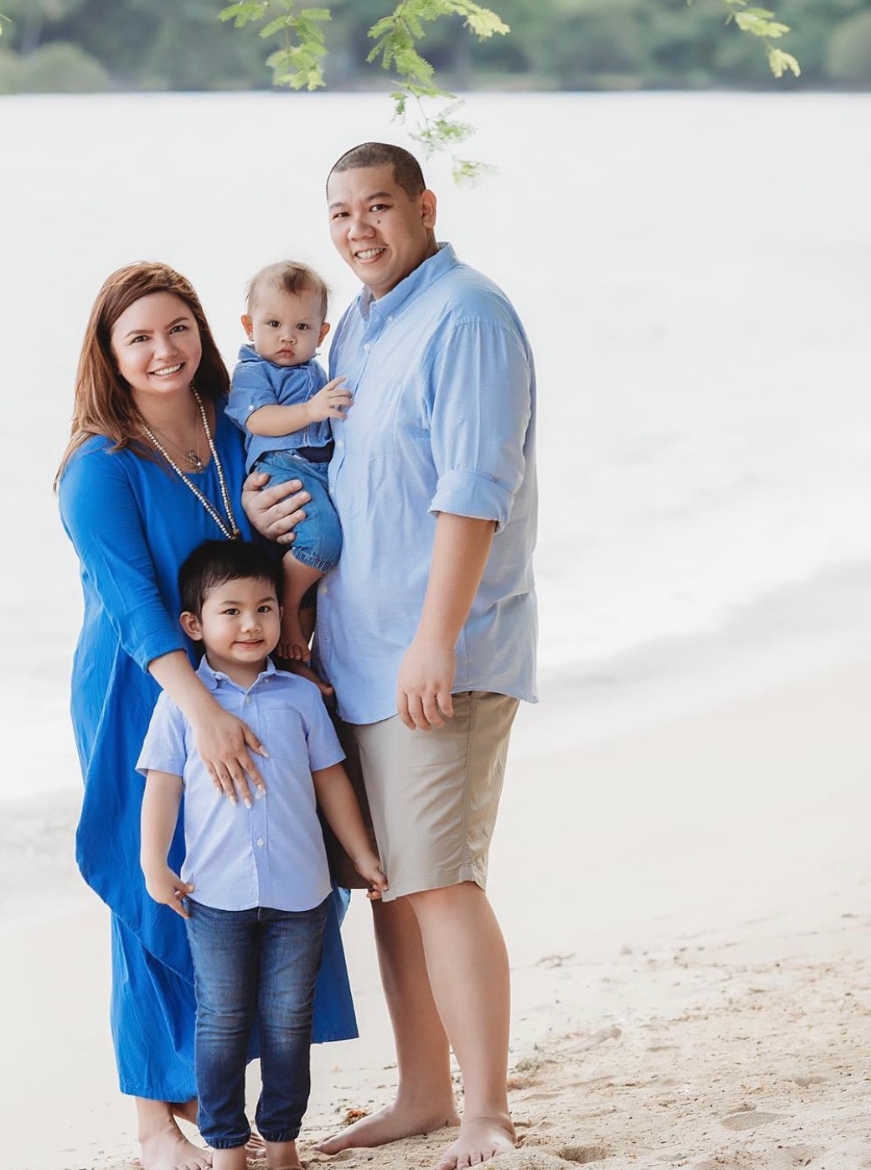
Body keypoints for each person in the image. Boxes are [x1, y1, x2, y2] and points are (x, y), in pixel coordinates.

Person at [243, 142, 538, 1170]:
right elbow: (346, 479)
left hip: (436, 655)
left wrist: (431, 639)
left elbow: (473, 490)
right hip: (360, 655)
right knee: (393, 884)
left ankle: (485, 1112)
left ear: (422, 204)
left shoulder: (465, 315)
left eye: (377, 206)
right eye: (339, 213)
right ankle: (421, 1091)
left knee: (440, 879)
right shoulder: (362, 323)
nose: (357, 227)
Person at [55, 262, 359, 1170]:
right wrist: (201, 717)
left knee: (263, 869)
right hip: (143, 689)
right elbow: (137, 605)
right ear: (109, 355)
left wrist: (282, 557)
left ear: (205, 331)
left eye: (176, 328)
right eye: (138, 337)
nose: (162, 350)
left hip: (250, 674)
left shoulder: (231, 425)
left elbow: (262, 540)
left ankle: (235, 1098)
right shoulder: (97, 466)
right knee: (154, 885)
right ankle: (155, 1121)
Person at [138, 539, 387, 1170]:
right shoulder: (183, 705)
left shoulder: (300, 698)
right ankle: (226, 1146)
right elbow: (161, 787)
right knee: (220, 1021)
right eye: (232, 611)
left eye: (266, 608)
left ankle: (282, 1144)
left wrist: (361, 855)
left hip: (301, 894)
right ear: (194, 624)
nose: (252, 624)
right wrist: (153, 865)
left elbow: (331, 779)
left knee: (287, 1022)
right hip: (214, 896)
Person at [226, 261, 352, 662]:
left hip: (313, 468)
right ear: (249, 326)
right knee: (325, 541)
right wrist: (311, 411)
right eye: (273, 324)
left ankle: (301, 636)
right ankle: (287, 606)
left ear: (321, 333)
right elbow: (259, 419)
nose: (286, 337)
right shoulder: (252, 371)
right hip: (280, 465)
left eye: (301, 328)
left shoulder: (313, 370)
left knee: (325, 549)